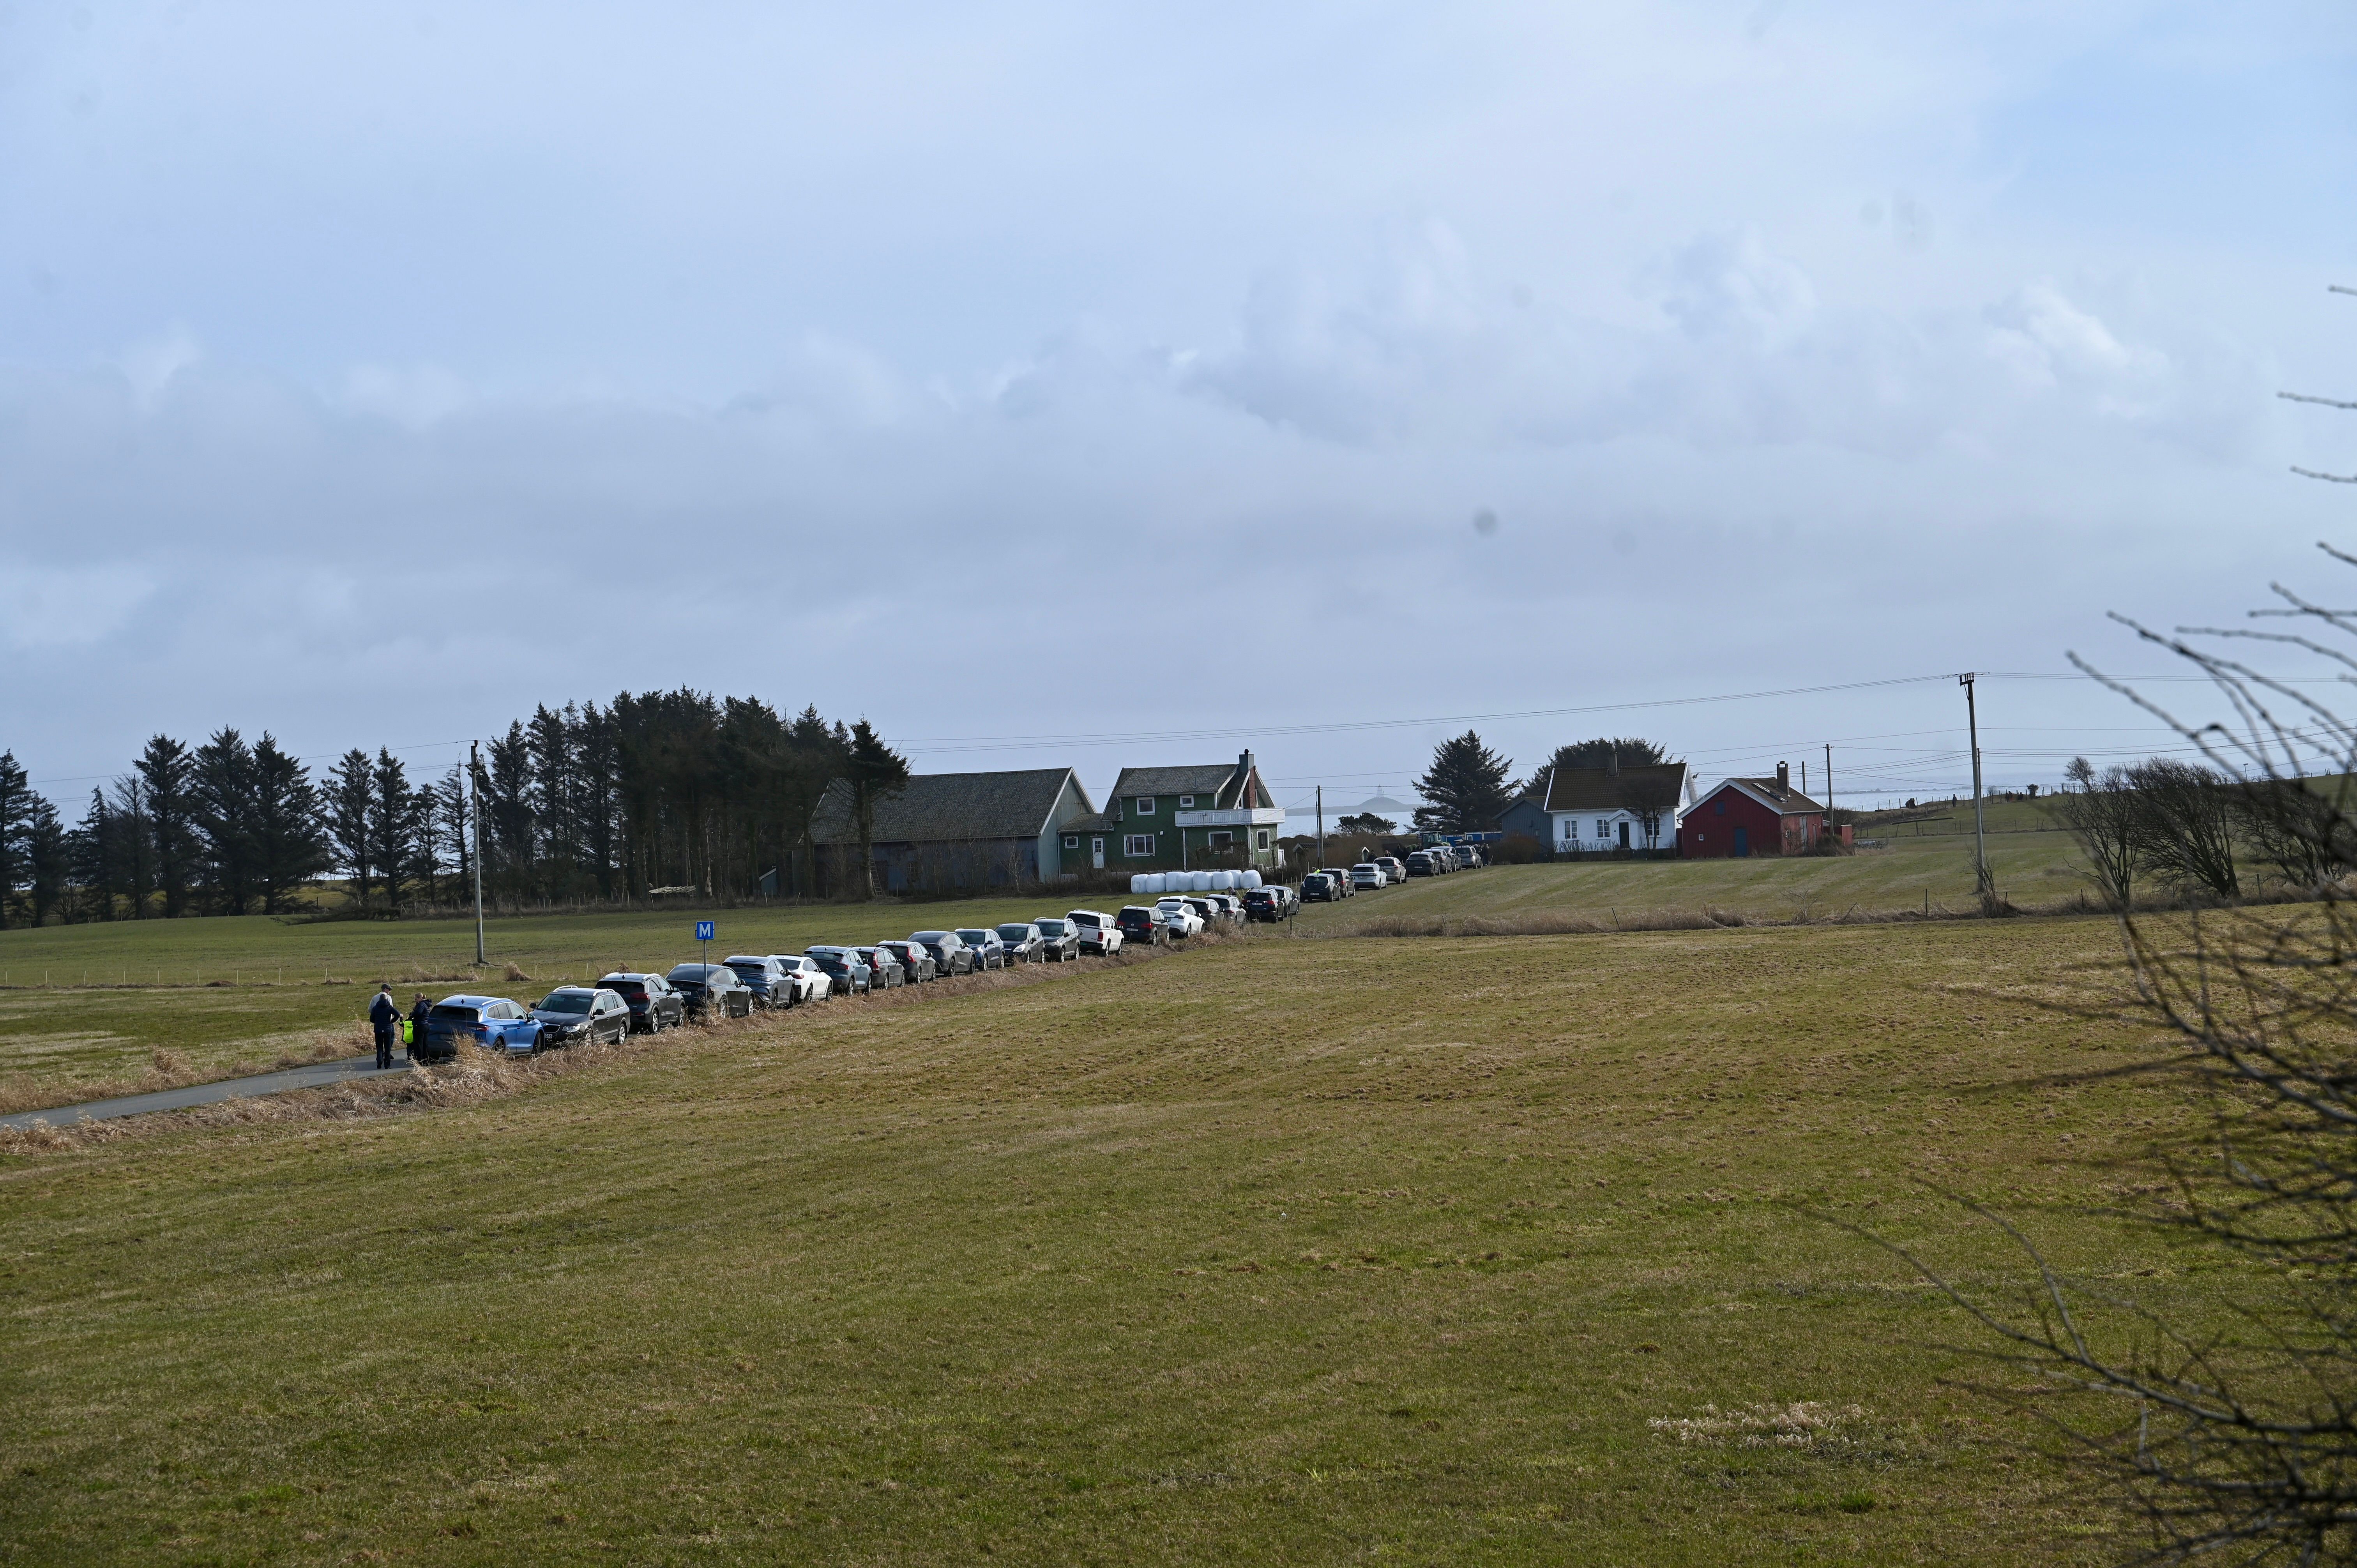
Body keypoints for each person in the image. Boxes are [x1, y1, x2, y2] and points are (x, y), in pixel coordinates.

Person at [368, 984, 400, 1070]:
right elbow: (397, 1013)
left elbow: (371, 1015)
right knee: (388, 1046)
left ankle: (379, 1061)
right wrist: (392, 1021)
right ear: (386, 990)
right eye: (389, 990)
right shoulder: (389, 1002)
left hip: (378, 1028)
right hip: (388, 1027)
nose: (389, 992)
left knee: (379, 1046)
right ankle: (388, 1065)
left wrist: (377, 1021)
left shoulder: (375, 1003)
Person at [407, 993, 432, 1062]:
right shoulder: (427, 1005)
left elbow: (418, 1013)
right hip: (426, 1025)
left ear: (420, 998)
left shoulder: (422, 1005)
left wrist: (412, 1015)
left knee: (419, 1044)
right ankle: (426, 1059)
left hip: (419, 1026)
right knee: (425, 1044)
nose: (415, 1001)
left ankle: (420, 1060)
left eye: (416, 999)